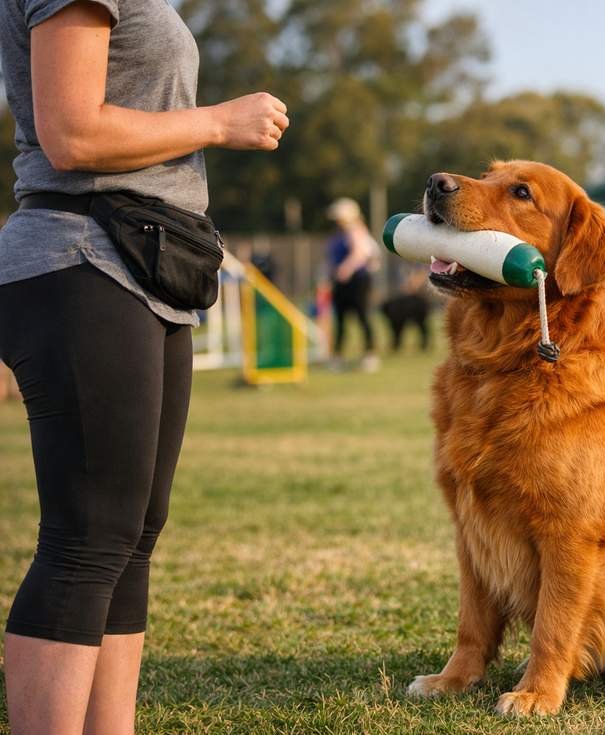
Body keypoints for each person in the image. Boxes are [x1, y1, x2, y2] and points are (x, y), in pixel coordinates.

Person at [0, 1, 289, 732]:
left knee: (131, 534)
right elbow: (72, 132)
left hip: (144, 261)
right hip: (82, 255)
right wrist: (221, 122)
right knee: (89, 535)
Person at [326, 196, 382, 372]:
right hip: (342, 283)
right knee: (341, 320)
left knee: (362, 317)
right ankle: (337, 357)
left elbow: (362, 254)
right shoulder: (340, 233)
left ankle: (369, 356)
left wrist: (345, 269)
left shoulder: (356, 230)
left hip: (356, 282)